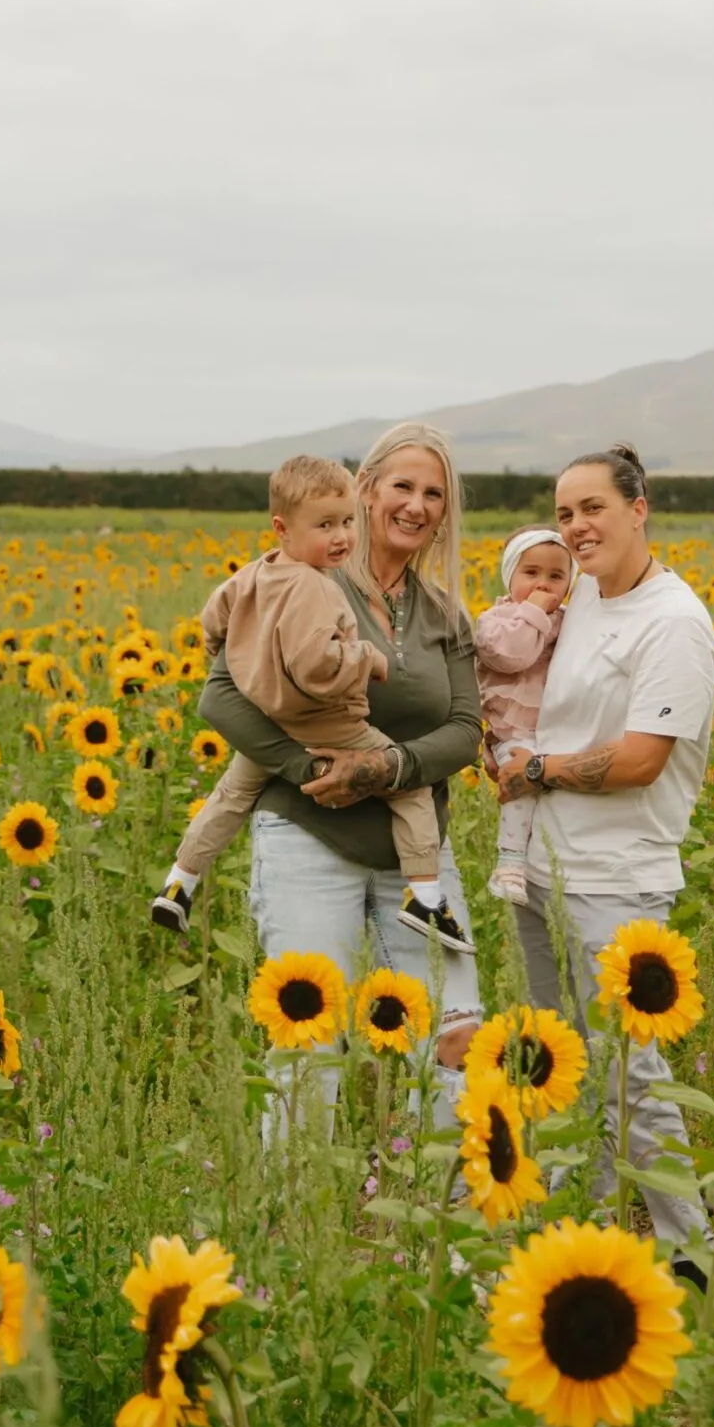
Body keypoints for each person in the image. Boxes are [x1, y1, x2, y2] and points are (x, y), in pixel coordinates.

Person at [198, 422, 485, 1106]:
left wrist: (384, 769)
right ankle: (291, 1212)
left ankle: (451, 1205)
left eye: (434, 494)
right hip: (307, 839)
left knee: (458, 1034)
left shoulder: (442, 612)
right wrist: (307, 771)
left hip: (416, 857)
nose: (417, 505)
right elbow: (221, 699)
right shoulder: (301, 581)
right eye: (403, 487)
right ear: (364, 491)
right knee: (309, 1040)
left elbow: (465, 731)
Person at [495, 444, 714, 1274]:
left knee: (632, 1071)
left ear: (639, 507)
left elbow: (640, 759)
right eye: (563, 513)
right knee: (564, 1059)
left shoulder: (675, 623)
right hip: (544, 868)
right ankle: (581, 1228)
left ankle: (688, 1249)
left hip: (616, 877)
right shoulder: (579, 595)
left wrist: (538, 770)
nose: (577, 527)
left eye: (592, 508)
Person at [151, 454, 470, 950]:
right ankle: (426, 898)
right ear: (283, 527)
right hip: (327, 724)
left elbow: (216, 613)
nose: (341, 536)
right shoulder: (319, 587)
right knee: (412, 794)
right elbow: (316, 668)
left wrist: (222, 644)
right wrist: (366, 657)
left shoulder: (259, 571)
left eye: (345, 523)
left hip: (276, 725)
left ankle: (180, 880)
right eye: (326, 525)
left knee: (230, 797)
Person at [473, 527, 573, 904]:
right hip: (513, 732)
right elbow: (514, 655)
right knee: (521, 784)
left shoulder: (568, 620)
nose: (542, 585)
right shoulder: (496, 621)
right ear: (509, 574)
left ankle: (536, 864)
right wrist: (534, 611)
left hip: (555, 733)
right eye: (530, 573)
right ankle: (509, 863)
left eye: (556, 576)